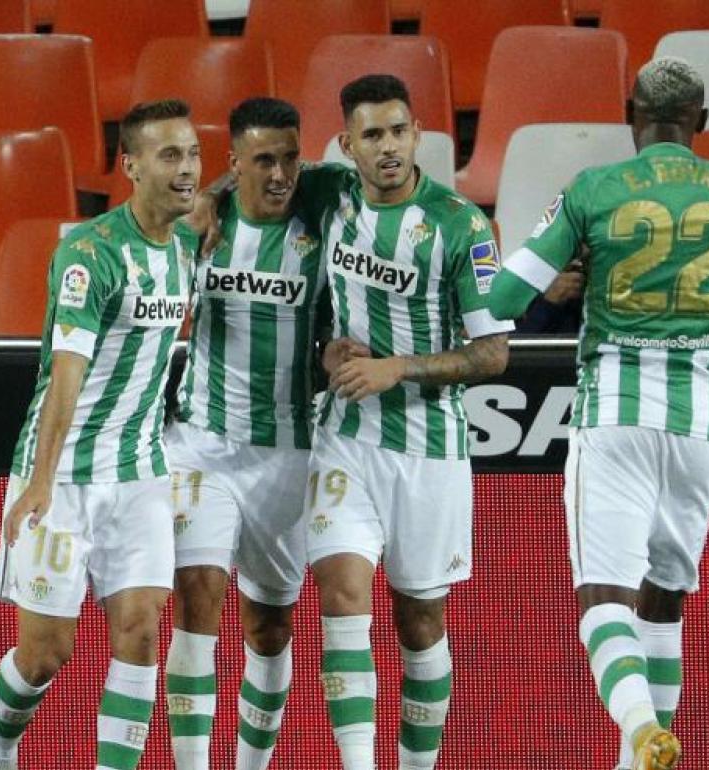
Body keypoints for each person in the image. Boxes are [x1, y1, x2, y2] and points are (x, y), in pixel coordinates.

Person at [489, 58, 709, 770]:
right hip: (700, 423)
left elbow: (502, 301)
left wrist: (560, 274)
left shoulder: (594, 189)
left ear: (631, 116)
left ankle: (641, 730)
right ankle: (642, 760)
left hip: (616, 413)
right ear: (703, 124)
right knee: (664, 601)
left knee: (604, 603)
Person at [0, 99, 200, 770]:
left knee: (139, 633)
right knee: (46, 655)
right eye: (169, 156)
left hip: (139, 471)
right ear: (131, 166)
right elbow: (66, 375)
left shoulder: (190, 245)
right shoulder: (89, 255)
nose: (187, 168)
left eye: (192, 153)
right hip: (66, 475)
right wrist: (41, 480)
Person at [308, 74, 514, 770]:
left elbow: (493, 354)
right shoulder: (330, 204)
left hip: (429, 451)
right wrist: (324, 350)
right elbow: (244, 177)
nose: (388, 147)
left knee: (419, 622)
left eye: (398, 131)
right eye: (372, 135)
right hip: (345, 437)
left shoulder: (461, 226)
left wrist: (399, 367)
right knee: (342, 595)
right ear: (346, 146)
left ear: (416, 133)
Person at [162, 97, 340, 770]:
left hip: (289, 454)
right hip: (202, 445)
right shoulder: (197, 228)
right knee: (198, 595)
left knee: (270, 626)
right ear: (234, 164)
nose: (279, 173)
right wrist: (207, 198)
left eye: (290, 157)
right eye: (263, 160)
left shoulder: (322, 225)